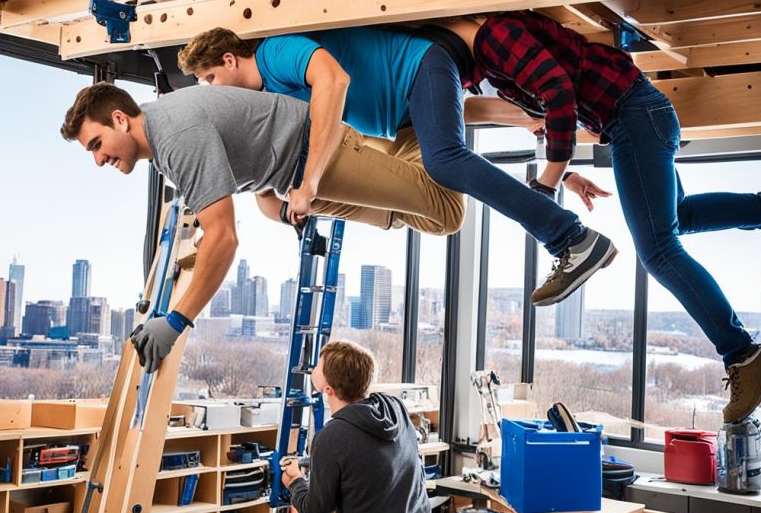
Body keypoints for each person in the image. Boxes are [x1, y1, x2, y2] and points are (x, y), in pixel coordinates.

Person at [440, 10, 761, 422]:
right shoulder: (492, 61)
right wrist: (568, 175)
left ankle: (742, 354)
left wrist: (550, 180)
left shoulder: (492, 36)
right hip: (637, 116)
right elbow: (535, 111)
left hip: (633, 116)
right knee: (676, 218)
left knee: (659, 252)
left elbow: (558, 91)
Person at [177, 26, 617, 307]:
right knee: (444, 216)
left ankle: (571, 237)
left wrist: (309, 183)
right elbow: (458, 109)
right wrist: (526, 118)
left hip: (419, 65)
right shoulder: (269, 103)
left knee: (445, 161)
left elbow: (335, 80)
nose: (212, 92)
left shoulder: (273, 53)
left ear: (230, 60)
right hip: (405, 121)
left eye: (210, 80)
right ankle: (557, 226)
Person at [59, 82, 465, 372]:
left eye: (97, 144)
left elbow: (225, 237)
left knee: (447, 213)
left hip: (318, 155)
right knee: (401, 216)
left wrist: (178, 320)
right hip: (293, 179)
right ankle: (409, 139)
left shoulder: (175, 136)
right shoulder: (164, 142)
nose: (98, 160)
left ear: (119, 119)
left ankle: (421, 119)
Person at [279, 340, 433, 513]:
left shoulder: (330, 438)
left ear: (329, 390)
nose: (313, 369)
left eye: (318, 365)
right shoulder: (395, 408)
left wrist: (295, 482)